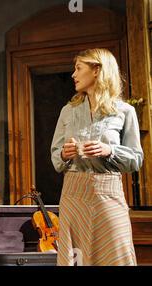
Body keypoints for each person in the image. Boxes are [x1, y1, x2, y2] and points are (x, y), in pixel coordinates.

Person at [50, 48, 143, 266]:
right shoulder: (68, 111)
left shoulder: (124, 111)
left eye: (78, 68)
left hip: (108, 192)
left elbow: (136, 158)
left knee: (117, 256)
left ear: (96, 70)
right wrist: (65, 153)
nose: (73, 74)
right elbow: (55, 157)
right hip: (73, 193)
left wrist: (109, 151)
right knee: (76, 259)